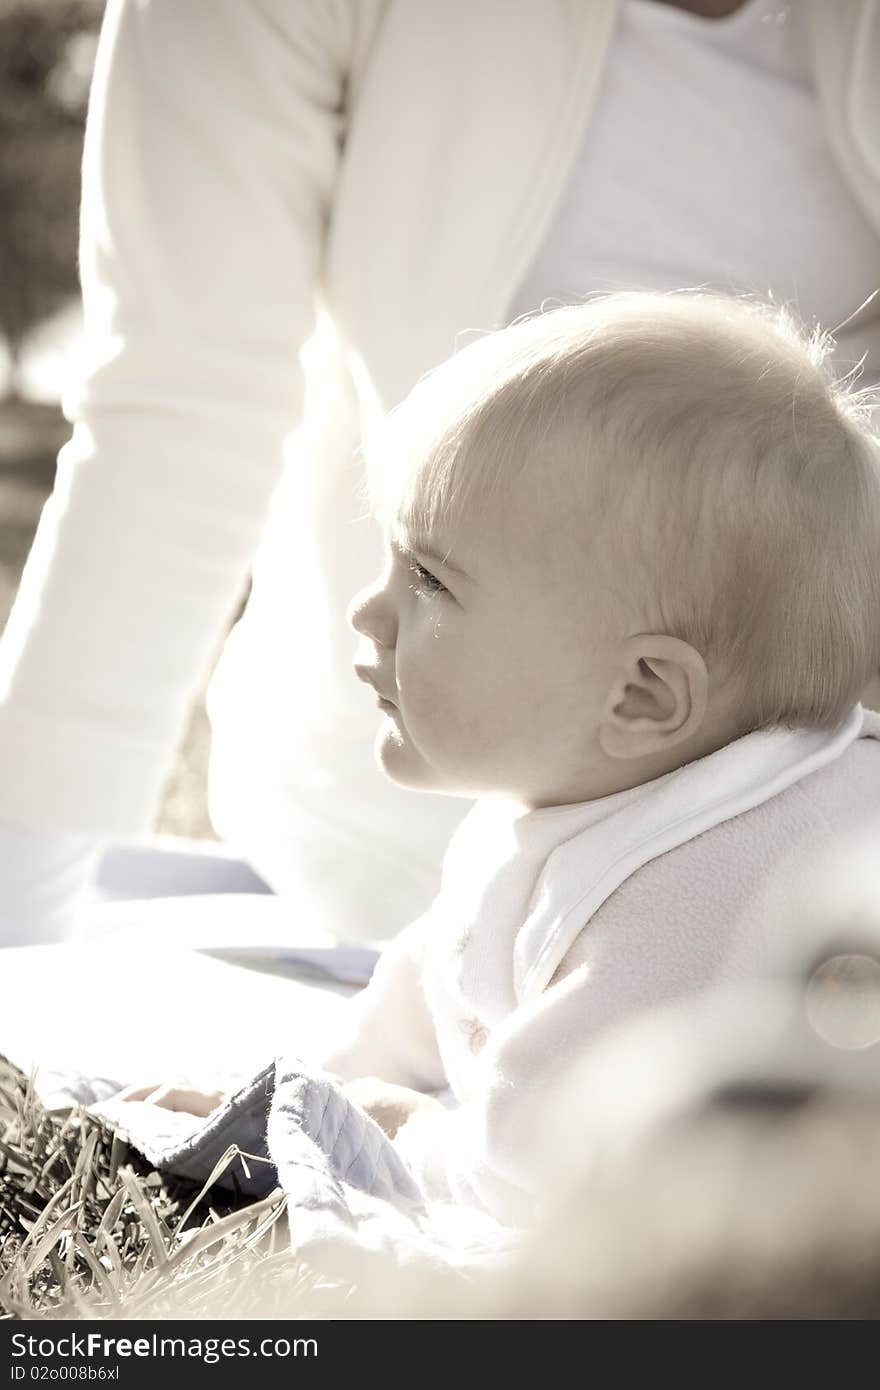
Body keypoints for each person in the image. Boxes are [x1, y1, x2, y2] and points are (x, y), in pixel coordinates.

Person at [1, 0, 879, 944]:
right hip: (367, 857)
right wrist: (21, 906)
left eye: (425, 577)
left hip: (809, 905)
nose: (367, 613)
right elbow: (179, 404)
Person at [123, 291, 880, 1221]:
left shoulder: (706, 890)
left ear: (643, 694)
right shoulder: (612, 785)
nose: (370, 612)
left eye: (432, 580)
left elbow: (533, 1181)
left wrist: (381, 1124)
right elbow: (438, 974)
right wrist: (297, 1083)